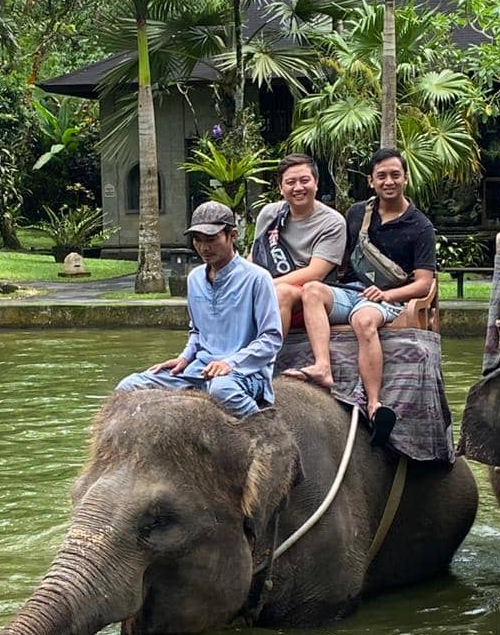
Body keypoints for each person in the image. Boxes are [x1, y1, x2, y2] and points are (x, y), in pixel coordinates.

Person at [283, 148, 437, 445]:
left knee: (364, 319)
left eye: (395, 175)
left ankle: (374, 403)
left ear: (405, 178)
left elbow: (423, 284)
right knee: (312, 290)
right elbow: (337, 259)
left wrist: (387, 294)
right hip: (350, 291)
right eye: (381, 176)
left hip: (389, 299)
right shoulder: (357, 214)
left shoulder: (420, 226)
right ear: (371, 181)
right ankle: (322, 367)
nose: (388, 181)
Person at [115, 201, 281, 418]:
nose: (204, 248)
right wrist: (184, 358)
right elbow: (197, 331)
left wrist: (229, 363)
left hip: (244, 373)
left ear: (233, 235)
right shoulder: (194, 279)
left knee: (222, 389)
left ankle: (266, 430)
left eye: (211, 240)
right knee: (129, 385)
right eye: (198, 240)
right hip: (199, 369)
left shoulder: (257, 278)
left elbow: (271, 338)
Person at [251, 154, 347, 334]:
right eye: (290, 182)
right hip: (270, 285)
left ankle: (266, 358)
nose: (298, 187)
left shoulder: (333, 222)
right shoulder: (269, 214)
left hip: (309, 295)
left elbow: (315, 272)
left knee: (282, 293)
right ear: (280, 187)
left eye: (305, 180)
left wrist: (267, 285)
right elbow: (255, 256)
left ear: (316, 183)